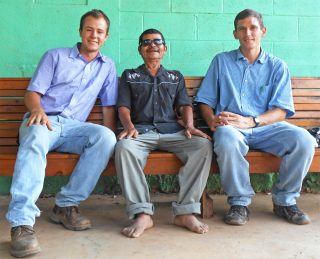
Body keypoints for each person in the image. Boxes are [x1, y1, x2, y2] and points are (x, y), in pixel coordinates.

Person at [6, 9, 118, 258]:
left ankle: (65, 205)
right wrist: (37, 111)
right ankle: (22, 224)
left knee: (105, 137)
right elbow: (32, 93)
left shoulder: (107, 66)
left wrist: (111, 138)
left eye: (99, 31)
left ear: (106, 36)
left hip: (74, 128)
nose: (94, 35)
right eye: (89, 29)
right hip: (44, 121)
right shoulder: (55, 56)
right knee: (35, 136)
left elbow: (109, 106)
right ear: (80, 31)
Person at [195, 9, 316, 226]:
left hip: (267, 126)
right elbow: (204, 100)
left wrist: (252, 121)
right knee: (225, 138)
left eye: (253, 28)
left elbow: (281, 111)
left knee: (304, 140)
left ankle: (285, 201)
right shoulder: (221, 62)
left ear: (263, 31)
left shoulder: (277, 66)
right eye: (242, 29)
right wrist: (211, 118)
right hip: (231, 126)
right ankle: (239, 203)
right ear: (235, 34)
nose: (247, 33)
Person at [115, 29, 213, 238]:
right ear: (140, 49)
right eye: (147, 42)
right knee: (124, 148)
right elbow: (123, 107)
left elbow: (185, 104)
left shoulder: (174, 76)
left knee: (202, 146)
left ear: (165, 48)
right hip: (141, 132)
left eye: (158, 41)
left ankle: (185, 212)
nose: (153, 45)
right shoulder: (129, 75)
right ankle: (142, 213)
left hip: (172, 132)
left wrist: (189, 125)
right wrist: (129, 126)